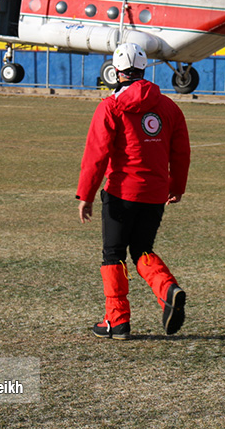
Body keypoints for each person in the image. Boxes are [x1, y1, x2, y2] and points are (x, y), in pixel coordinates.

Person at [76, 43, 191, 340]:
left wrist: (86, 195)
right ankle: (168, 289)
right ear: (144, 70)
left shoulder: (110, 106)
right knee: (141, 250)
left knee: (113, 254)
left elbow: (96, 154)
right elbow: (180, 153)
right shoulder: (169, 107)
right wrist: (176, 186)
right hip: (154, 194)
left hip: (120, 192)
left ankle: (117, 321)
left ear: (116, 73)